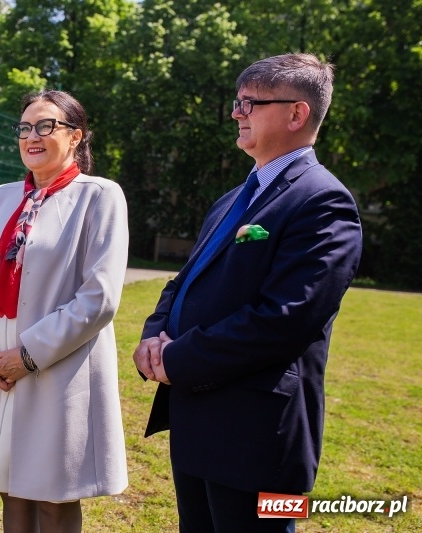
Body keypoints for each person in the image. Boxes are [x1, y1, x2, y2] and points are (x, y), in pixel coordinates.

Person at [133, 53, 363, 532]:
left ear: (297, 113)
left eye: (248, 103)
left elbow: (284, 319)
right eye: (237, 102)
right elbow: (182, 282)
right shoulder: (232, 199)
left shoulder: (323, 201)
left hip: (257, 434)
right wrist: (155, 335)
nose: (236, 113)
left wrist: (178, 359)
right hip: (197, 419)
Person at [0, 90, 129, 532]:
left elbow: (100, 296)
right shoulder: (1, 197)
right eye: (25, 128)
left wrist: (27, 355)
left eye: (46, 126)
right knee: (10, 483)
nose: (32, 136)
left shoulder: (100, 197)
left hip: (56, 365)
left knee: (52, 491)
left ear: (76, 136)